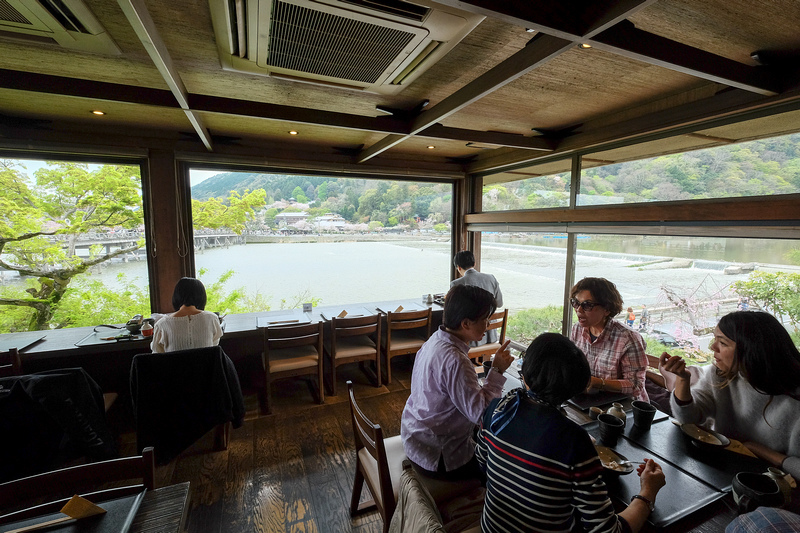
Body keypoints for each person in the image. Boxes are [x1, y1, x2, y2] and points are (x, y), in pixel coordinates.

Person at [477, 333, 665, 533]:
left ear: (525, 374)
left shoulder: (497, 411)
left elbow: (482, 469)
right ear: (576, 386)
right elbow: (608, 531)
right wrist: (648, 492)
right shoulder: (574, 441)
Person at [662, 311, 800, 479]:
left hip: (772, 484)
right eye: (715, 339)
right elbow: (690, 419)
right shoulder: (721, 374)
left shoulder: (794, 401)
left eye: (722, 342)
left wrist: (761, 451)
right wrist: (683, 380)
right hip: (724, 472)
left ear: (751, 349)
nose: (713, 347)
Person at [400, 284, 513, 481]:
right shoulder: (456, 360)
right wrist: (497, 371)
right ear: (466, 324)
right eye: (484, 320)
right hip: (439, 456)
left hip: (415, 436)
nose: (487, 326)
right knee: (505, 469)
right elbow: (482, 415)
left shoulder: (436, 339)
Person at [569, 277, 649, 402]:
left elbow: (636, 386)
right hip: (589, 399)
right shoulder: (577, 329)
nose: (578, 310)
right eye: (576, 303)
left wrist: (600, 383)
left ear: (607, 309)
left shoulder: (628, 338)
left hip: (623, 406)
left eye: (587, 305)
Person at [151, 277, 223, 353]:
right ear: (202, 297)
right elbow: (214, 347)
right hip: (207, 364)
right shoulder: (212, 318)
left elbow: (157, 354)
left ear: (176, 296)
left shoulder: (162, 324)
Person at [450, 250, 503, 345]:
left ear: (458, 267)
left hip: (470, 338)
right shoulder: (491, 278)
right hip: (490, 335)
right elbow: (499, 303)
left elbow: (455, 312)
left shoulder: (456, 284)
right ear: (474, 263)